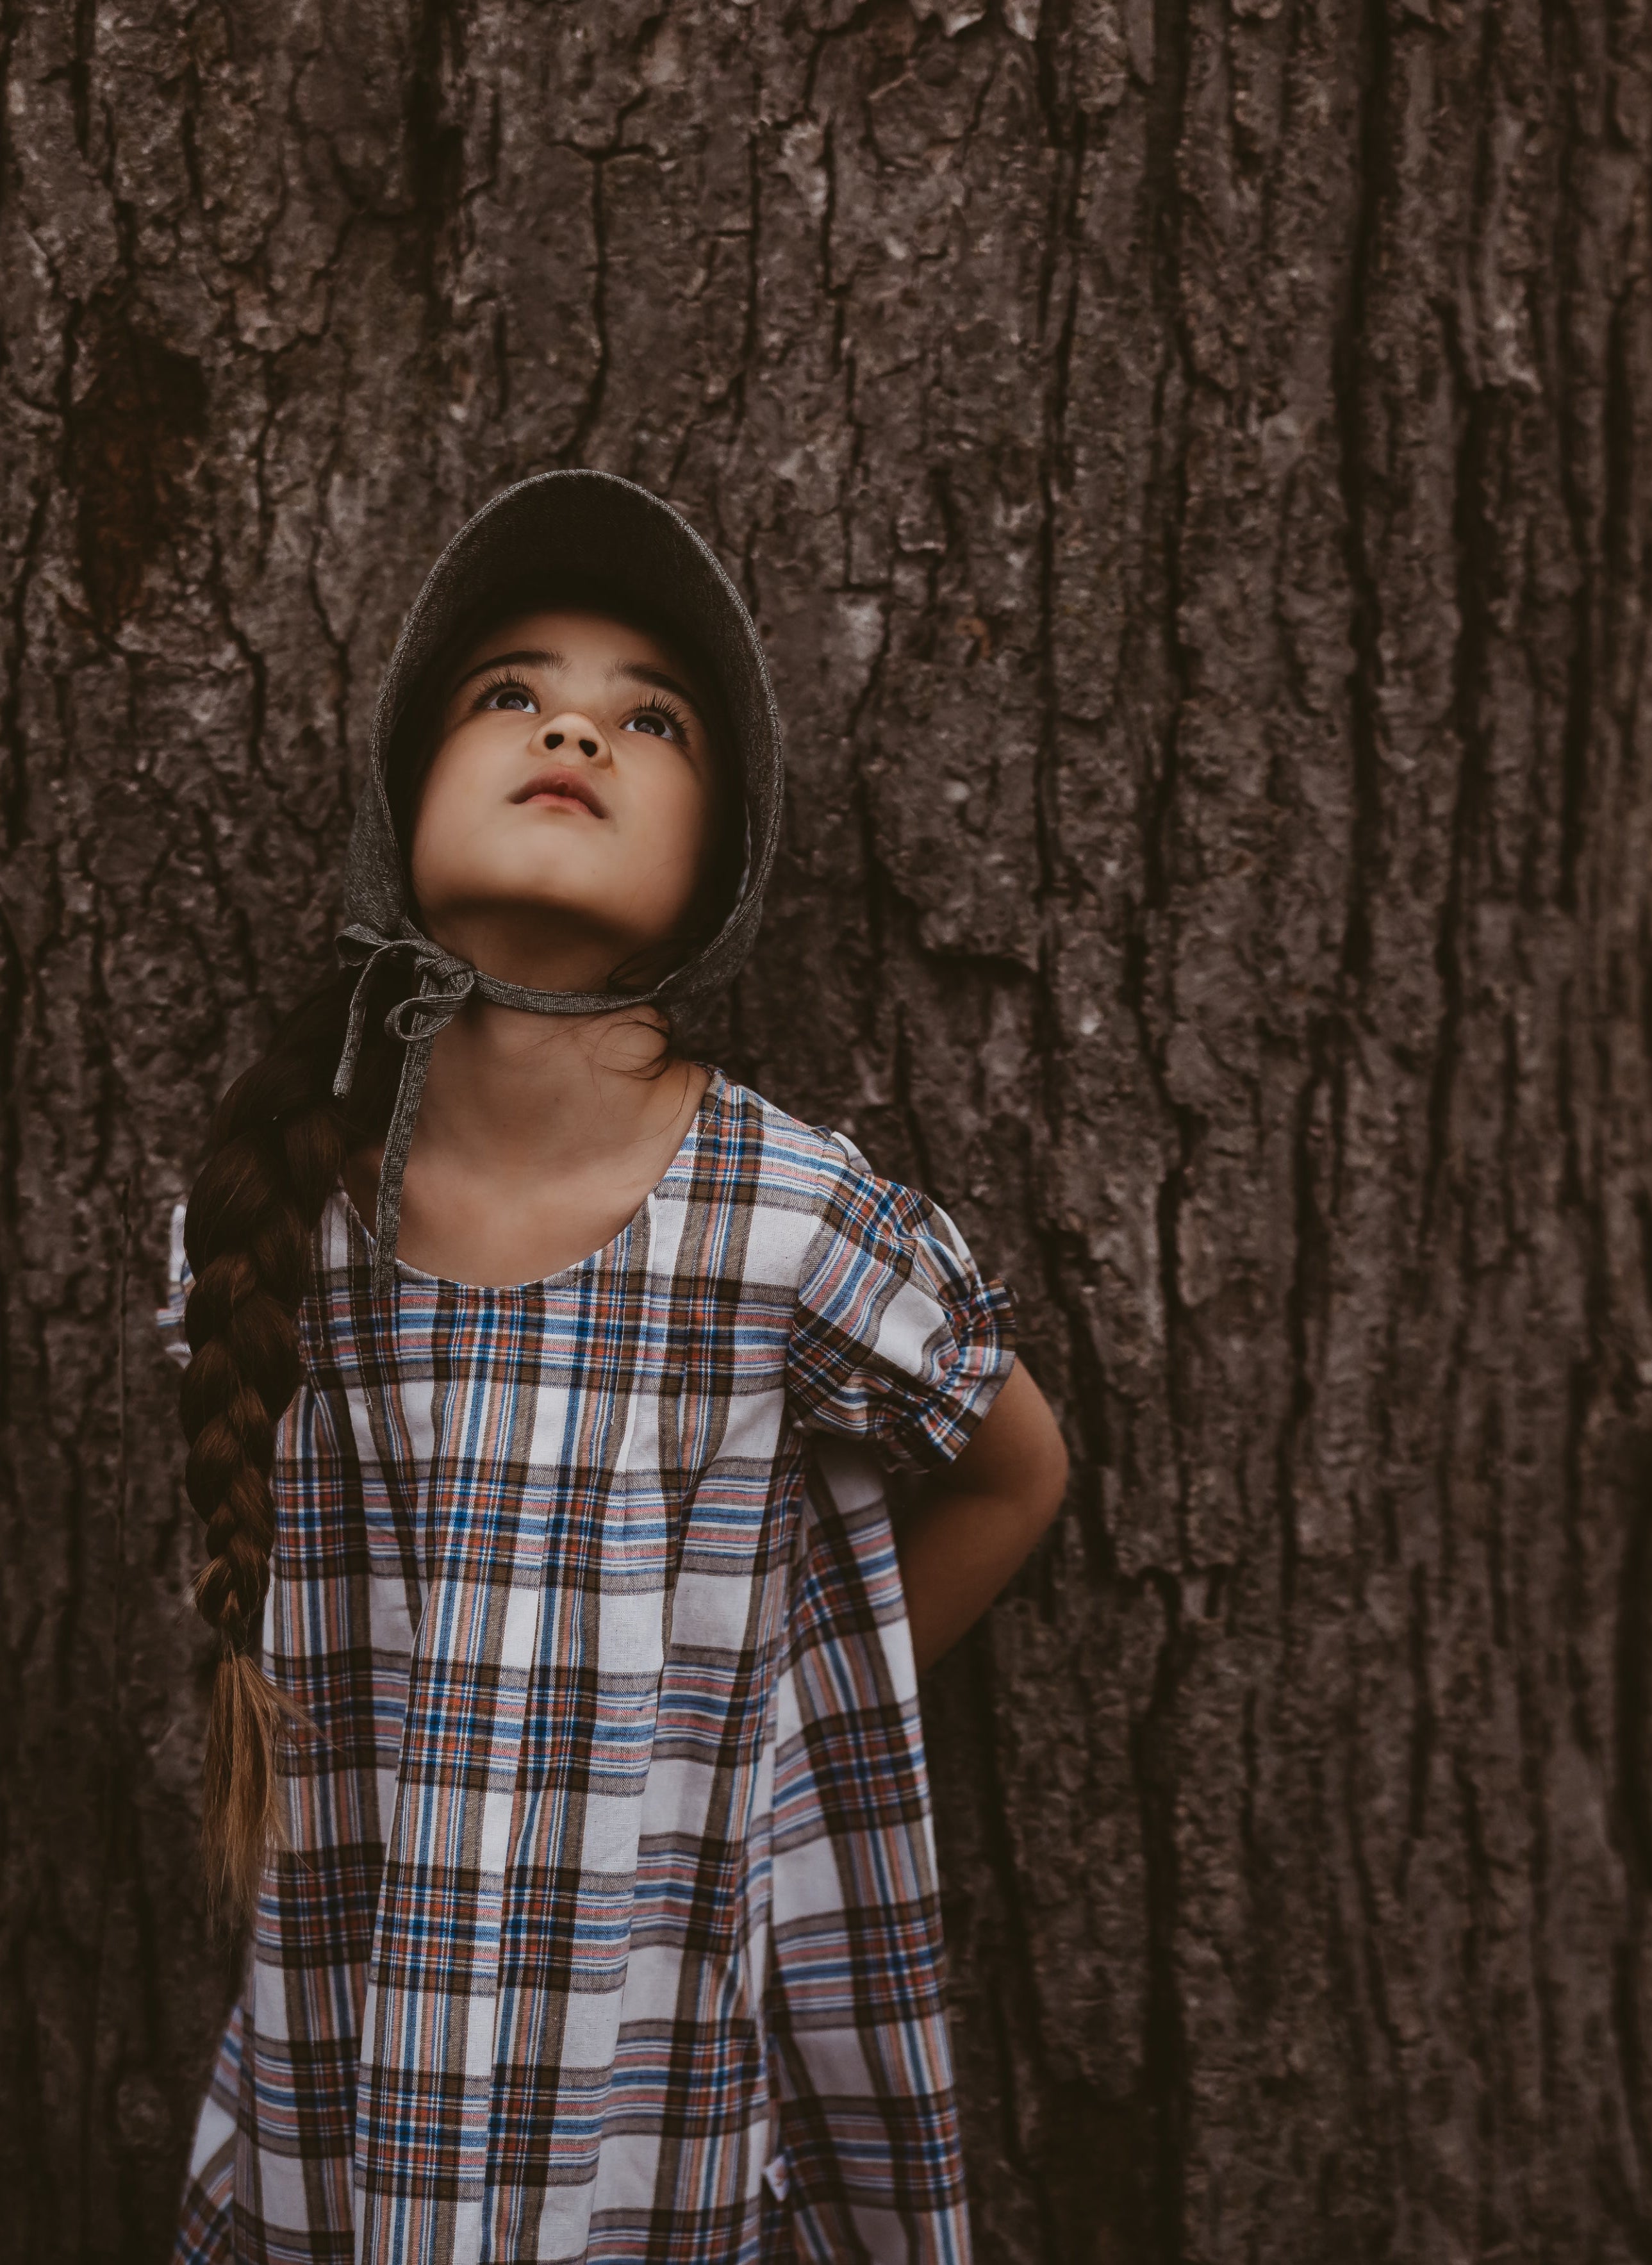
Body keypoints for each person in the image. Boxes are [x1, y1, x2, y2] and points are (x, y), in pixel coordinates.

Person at [167, 470, 1067, 2264]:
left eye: (649, 717)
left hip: (641, 2072)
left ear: (716, 863)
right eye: (507, 690)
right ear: (397, 799)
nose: (570, 721)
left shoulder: (780, 1220)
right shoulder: (289, 1225)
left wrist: (759, 1733)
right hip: (354, 2050)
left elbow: (1014, 1468)